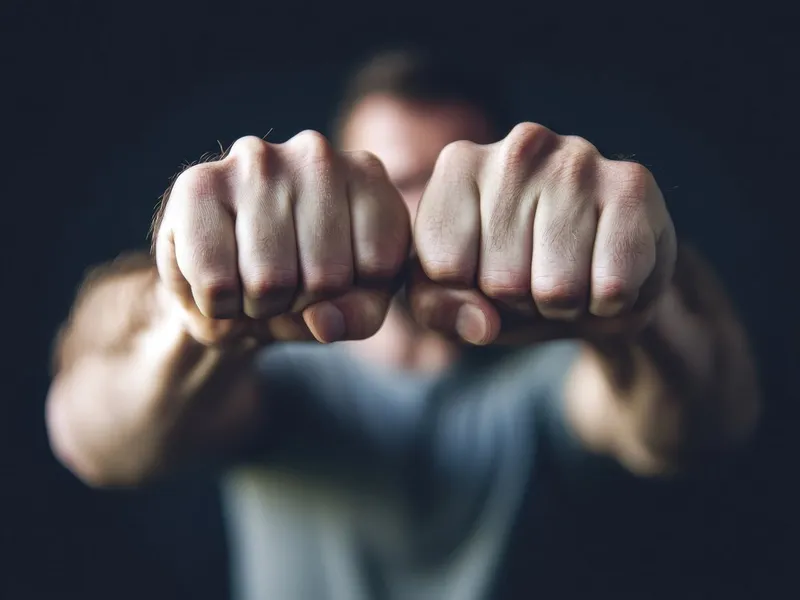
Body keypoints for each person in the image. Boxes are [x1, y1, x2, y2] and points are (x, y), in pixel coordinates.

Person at [46, 49, 761, 599]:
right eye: (382, 180)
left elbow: (704, 421)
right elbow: (96, 439)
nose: (411, 212)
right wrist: (193, 312)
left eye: (445, 184)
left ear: (512, 190)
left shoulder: (553, 371)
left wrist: (636, 306)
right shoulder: (275, 377)